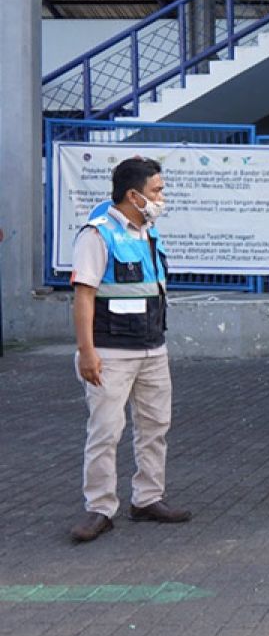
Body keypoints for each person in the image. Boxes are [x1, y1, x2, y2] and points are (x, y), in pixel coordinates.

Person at [68, 157, 190, 543]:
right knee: (105, 431)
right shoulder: (97, 234)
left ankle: (148, 498)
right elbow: (84, 296)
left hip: (152, 349)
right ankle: (100, 507)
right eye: (156, 190)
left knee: (155, 427)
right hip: (110, 352)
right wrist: (87, 352)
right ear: (133, 195)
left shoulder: (150, 232)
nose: (162, 197)